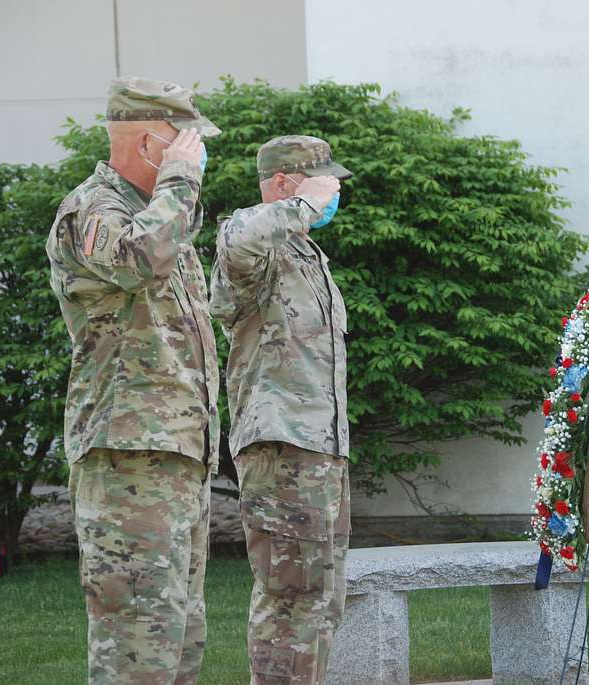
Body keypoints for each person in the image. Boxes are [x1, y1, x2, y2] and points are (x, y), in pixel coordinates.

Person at [45, 77, 221, 684]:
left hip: (173, 455)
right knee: (136, 644)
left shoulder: (160, 217)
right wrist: (179, 180)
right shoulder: (94, 209)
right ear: (151, 141)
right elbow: (139, 260)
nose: (196, 156)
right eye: (187, 144)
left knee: (177, 637)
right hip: (129, 457)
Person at [210, 135, 352, 684]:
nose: (335, 190)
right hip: (283, 446)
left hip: (321, 449)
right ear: (285, 183)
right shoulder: (254, 237)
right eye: (323, 180)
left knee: (321, 600)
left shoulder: (305, 253)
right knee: (290, 597)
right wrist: (301, 206)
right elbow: (239, 240)